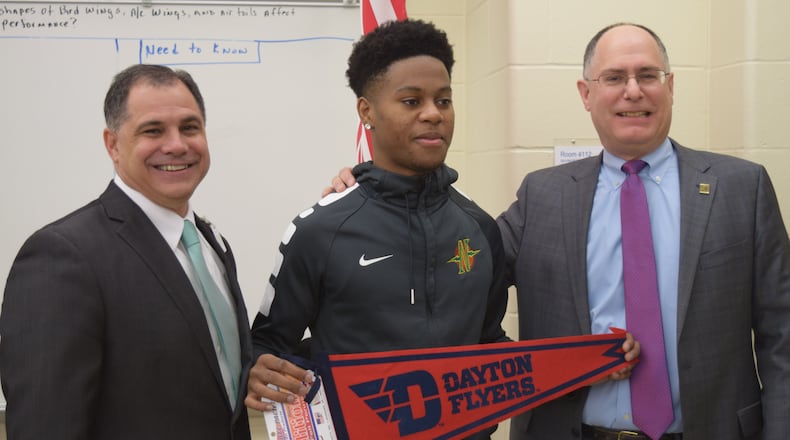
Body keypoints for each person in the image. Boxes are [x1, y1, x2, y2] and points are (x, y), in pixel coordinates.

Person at [326, 22, 790, 440]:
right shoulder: (543, 195)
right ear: (586, 93)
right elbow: (453, 271)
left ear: (671, 87)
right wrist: (376, 197)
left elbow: (781, 335)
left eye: (648, 75)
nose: (633, 91)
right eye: (614, 78)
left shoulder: (740, 187)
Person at [250, 19, 639, 440]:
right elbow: (267, 345)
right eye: (411, 101)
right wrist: (258, 367)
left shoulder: (478, 228)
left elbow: (490, 348)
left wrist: (586, 361)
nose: (433, 114)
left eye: (444, 100)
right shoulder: (318, 230)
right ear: (367, 112)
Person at [0, 64, 253, 439]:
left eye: (190, 127)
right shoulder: (63, 256)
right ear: (113, 144)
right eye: (153, 130)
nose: (177, 145)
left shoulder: (210, 243)